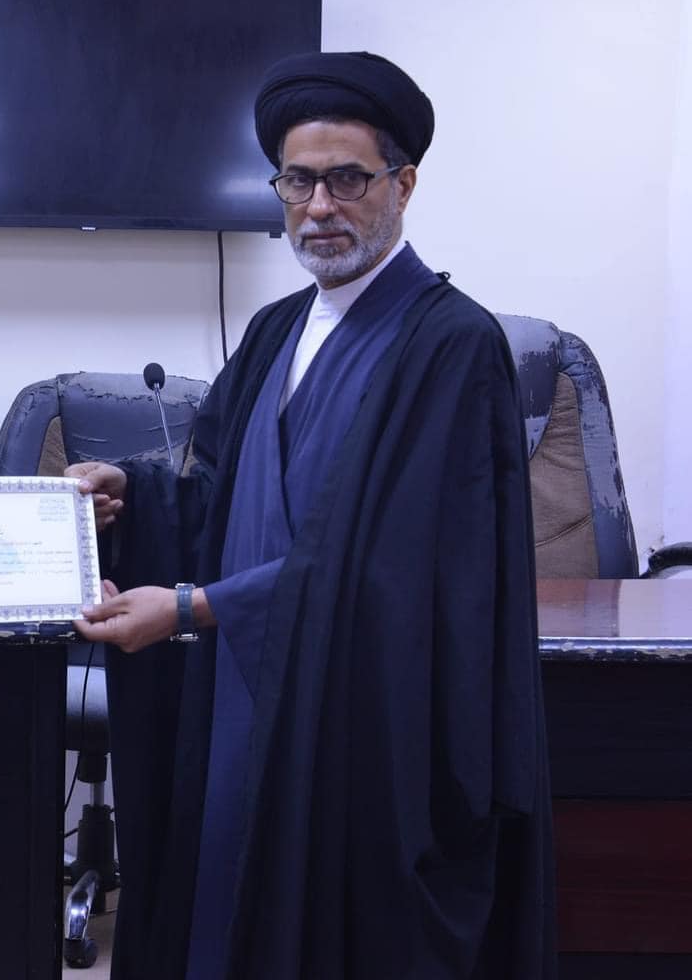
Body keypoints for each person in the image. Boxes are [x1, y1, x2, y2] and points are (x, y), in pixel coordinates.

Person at [71, 51, 555, 979]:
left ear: (403, 184)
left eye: (347, 179)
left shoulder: (453, 345)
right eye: (298, 181)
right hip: (248, 686)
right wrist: (133, 495)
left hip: (366, 719)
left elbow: (401, 564)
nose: (320, 206)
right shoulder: (275, 331)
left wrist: (193, 608)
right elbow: (224, 495)